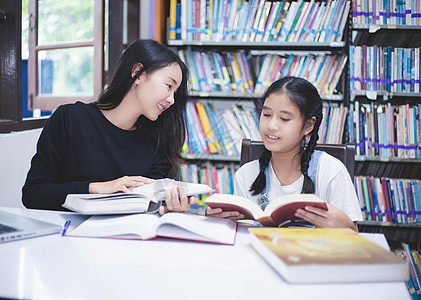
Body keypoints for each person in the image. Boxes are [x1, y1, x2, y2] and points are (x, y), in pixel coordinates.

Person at [22, 39, 195, 215]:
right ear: (138, 73)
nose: (172, 100)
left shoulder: (157, 140)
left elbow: (152, 209)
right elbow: (33, 194)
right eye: (169, 86)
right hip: (69, 236)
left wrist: (170, 208)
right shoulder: (70, 119)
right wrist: (97, 188)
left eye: (175, 92)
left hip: (129, 239)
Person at [207, 76, 362, 230]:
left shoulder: (331, 171)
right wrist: (220, 222)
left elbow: (354, 238)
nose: (271, 126)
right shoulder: (246, 175)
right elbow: (241, 238)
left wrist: (345, 225)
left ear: (308, 125)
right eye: (266, 114)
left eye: (285, 118)